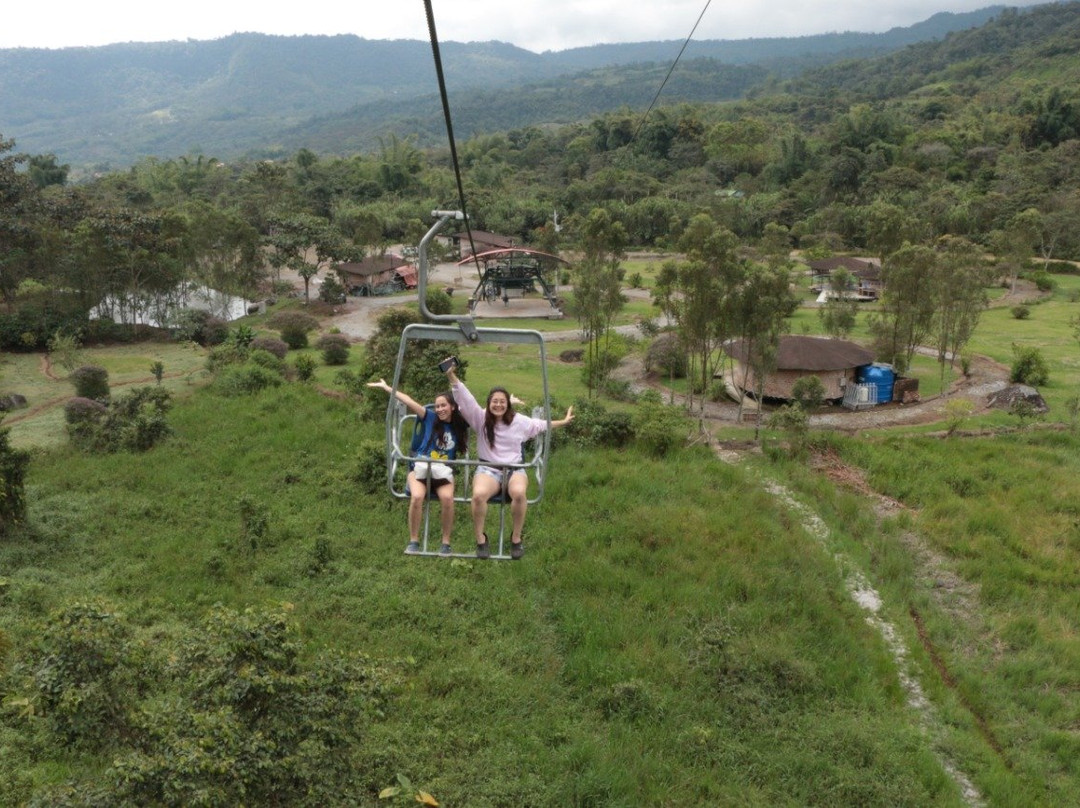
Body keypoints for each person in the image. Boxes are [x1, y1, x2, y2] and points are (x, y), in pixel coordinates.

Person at [444, 362, 573, 560]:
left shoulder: (519, 421)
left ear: (508, 404)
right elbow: (465, 397)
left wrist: (563, 422)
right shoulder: (480, 418)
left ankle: (515, 538)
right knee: (478, 495)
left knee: (519, 494)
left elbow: (540, 425)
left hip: (514, 469)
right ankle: (481, 539)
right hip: (489, 469)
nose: (498, 405)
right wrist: (451, 375)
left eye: (502, 402)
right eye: (494, 401)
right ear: (488, 403)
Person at [367, 379, 468, 555]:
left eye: (443, 405)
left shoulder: (459, 425)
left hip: (443, 474)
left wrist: (508, 404)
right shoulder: (429, 417)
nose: (440, 409)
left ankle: (446, 543)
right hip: (420, 470)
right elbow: (408, 400)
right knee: (417, 497)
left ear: (452, 406)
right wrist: (386, 388)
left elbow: (481, 414)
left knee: (447, 499)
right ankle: (414, 541)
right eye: (437, 406)